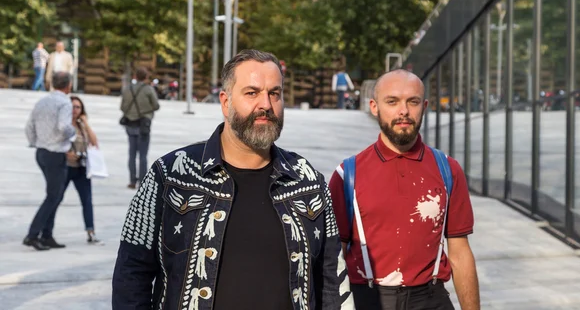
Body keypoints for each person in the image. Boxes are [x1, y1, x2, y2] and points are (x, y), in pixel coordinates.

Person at [112, 49, 354, 310]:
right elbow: (131, 275)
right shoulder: (170, 175)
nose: (265, 105)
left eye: (274, 93)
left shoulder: (308, 182)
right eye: (252, 93)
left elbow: (333, 283)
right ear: (225, 102)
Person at [328, 69, 479, 310]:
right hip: (368, 299)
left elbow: (460, 253)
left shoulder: (448, 169)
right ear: (374, 107)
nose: (404, 111)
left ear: (424, 106)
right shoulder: (347, 175)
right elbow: (333, 258)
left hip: (431, 299)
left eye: (413, 101)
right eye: (392, 101)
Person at [24, 72, 76, 251]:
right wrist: (73, 135)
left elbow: (29, 126)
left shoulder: (42, 101)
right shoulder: (64, 102)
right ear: (68, 85)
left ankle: (47, 234)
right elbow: (63, 126)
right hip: (55, 153)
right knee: (54, 196)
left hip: (41, 152)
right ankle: (33, 234)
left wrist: (35, 142)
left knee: (55, 194)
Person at [64, 96, 103, 244]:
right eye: (72, 107)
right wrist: (66, 154)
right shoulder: (65, 125)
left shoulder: (82, 126)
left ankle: (90, 232)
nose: (75, 110)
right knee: (55, 199)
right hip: (66, 167)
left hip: (81, 168)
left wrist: (86, 123)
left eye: (78, 107)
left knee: (87, 201)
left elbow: (94, 142)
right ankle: (46, 231)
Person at [119, 67, 160, 189]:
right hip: (143, 124)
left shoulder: (127, 89)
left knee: (131, 154)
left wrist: (132, 112)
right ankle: (142, 181)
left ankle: (132, 180)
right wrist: (145, 110)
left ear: (135, 76)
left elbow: (122, 107)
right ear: (146, 77)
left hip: (130, 124)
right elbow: (156, 105)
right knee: (143, 155)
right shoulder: (148, 89)